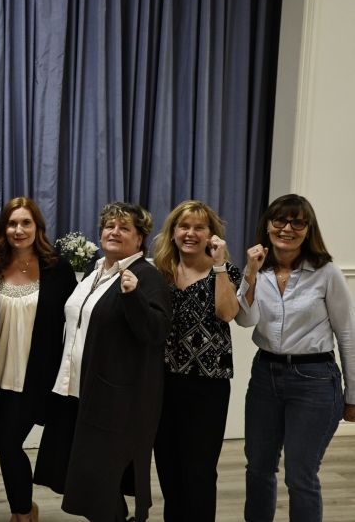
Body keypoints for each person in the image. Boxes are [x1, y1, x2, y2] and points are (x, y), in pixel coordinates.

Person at [237, 194, 355, 521]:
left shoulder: (326, 272)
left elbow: (347, 334)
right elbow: (245, 320)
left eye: (297, 222)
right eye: (280, 220)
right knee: (258, 467)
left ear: (308, 229)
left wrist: (353, 395)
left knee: (300, 475)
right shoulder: (258, 269)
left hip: (314, 381)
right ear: (268, 225)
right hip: (265, 376)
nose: (287, 228)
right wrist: (249, 273)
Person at [51, 202, 171, 521]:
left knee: (102, 484)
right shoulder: (96, 270)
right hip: (81, 390)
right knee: (91, 483)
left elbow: (156, 331)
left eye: (124, 228)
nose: (114, 232)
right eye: (109, 226)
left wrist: (133, 297)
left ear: (140, 238)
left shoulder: (147, 276)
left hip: (117, 401)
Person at [0, 197, 76, 522]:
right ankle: (23, 508)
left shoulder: (58, 269)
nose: (18, 230)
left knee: (8, 444)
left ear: (38, 227)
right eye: (12, 223)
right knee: (5, 445)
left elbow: (75, 322)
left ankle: (22, 513)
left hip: (36, 379)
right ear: (3, 228)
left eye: (26, 223)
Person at [150, 200, 241, 521]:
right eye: (184, 226)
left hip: (207, 386)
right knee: (168, 466)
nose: (191, 233)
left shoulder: (226, 271)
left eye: (199, 227)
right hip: (163, 383)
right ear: (173, 232)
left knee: (199, 470)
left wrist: (218, 265)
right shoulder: (158, 271)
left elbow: (228, 313)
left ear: (211, 235)